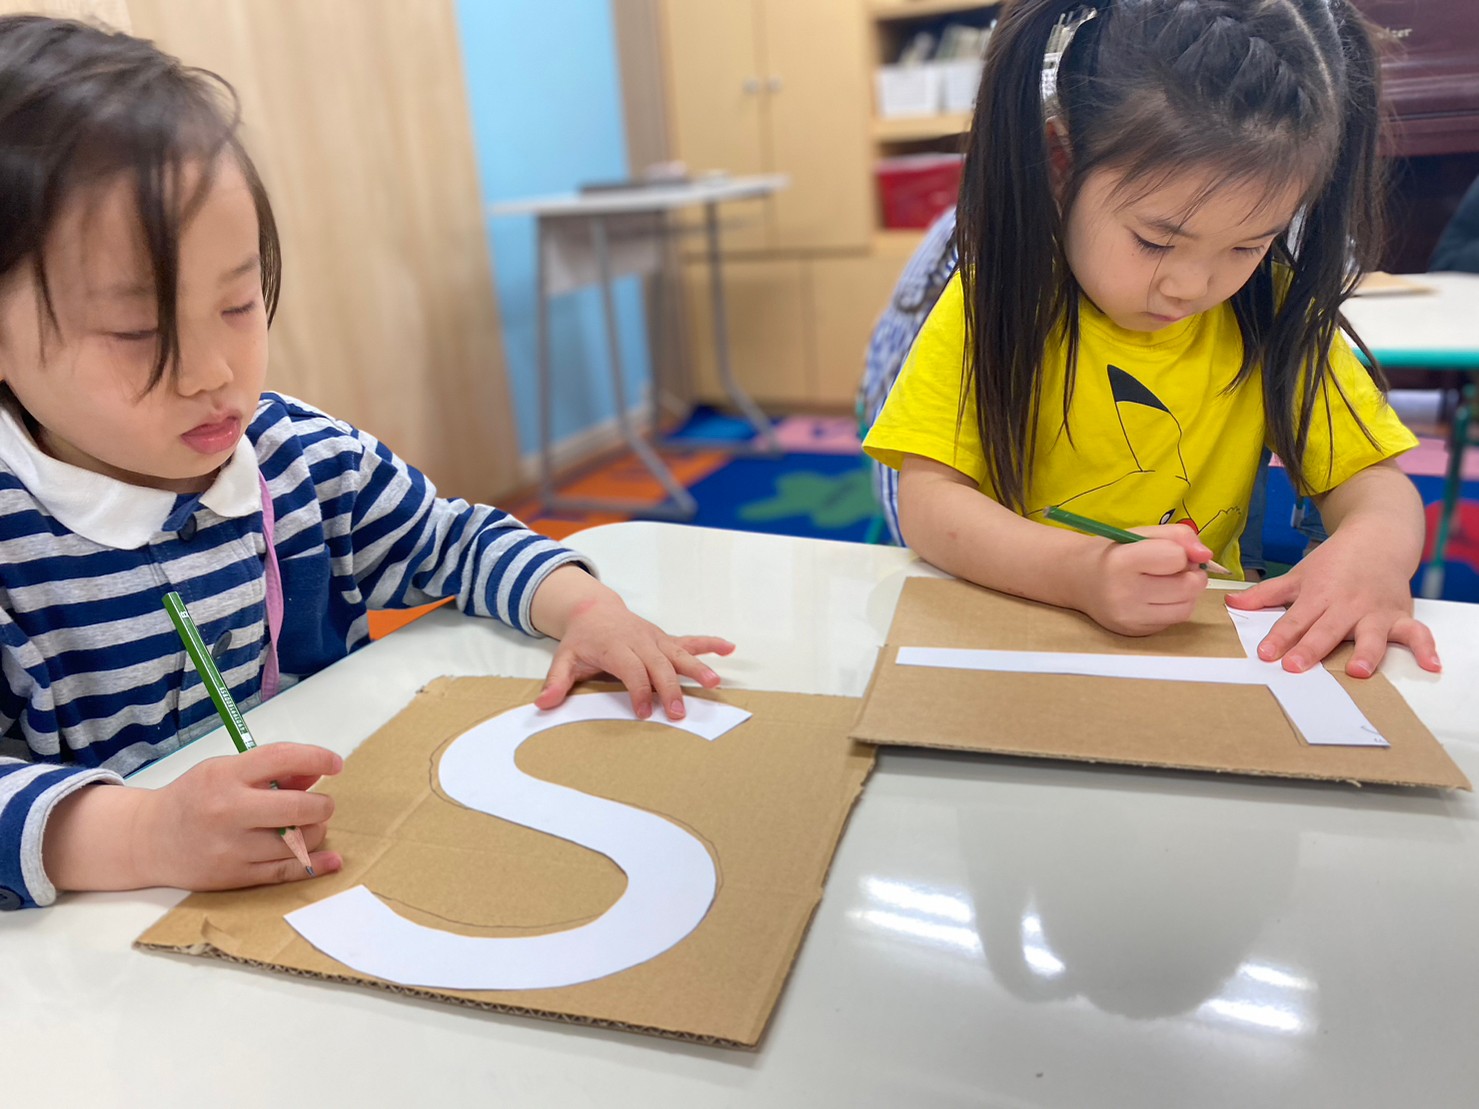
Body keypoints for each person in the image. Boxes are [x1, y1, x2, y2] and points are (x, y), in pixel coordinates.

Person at [0, 16, 733, 911]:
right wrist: (144, 832)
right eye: (137, 330)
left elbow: (457, 541)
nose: (212, 373)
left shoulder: (302, 459)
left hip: (330, 889)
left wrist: (588, 609)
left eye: (237, 304)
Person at [864, 0, 1440, 680]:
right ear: (1061, 162)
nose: (1190, 286)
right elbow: (929, 504)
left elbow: (1372, 481)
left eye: (1246, 246)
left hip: (1194, 655)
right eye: (1156, 241)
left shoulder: (1271, 310)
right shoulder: (997, 297)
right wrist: (1079, 572)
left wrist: (1373, 550)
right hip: (1015, 636)